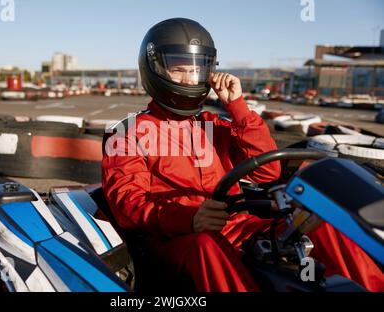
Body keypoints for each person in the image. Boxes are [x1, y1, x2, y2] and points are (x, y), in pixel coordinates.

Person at [102, 18, 383, 292]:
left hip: (236, 227)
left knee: (320, 225)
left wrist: (237, 106)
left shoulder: (214, 125)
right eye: (179, 69)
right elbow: (129, 204)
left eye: (196, 69)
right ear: (155, 68)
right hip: (176, 240)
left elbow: (266, 172)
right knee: (206, 246)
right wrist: (190, 218)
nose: (190, 78)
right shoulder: (129, 132)